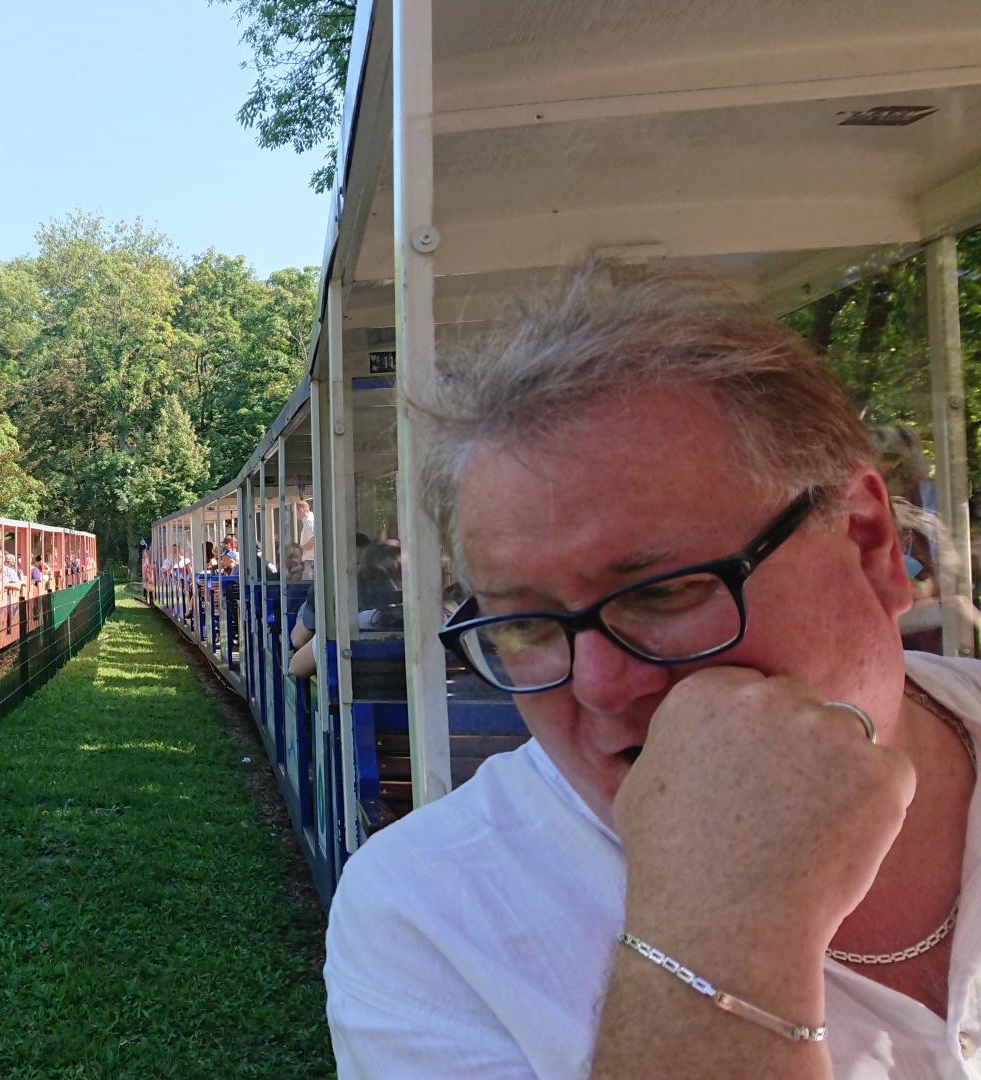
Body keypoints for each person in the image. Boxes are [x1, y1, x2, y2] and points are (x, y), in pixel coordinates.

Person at [325, 268, 981, 1079]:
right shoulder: (431, 918)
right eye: (527, 624)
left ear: (868, 541)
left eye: (664, 592)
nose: (600, 686)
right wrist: (723, 931)